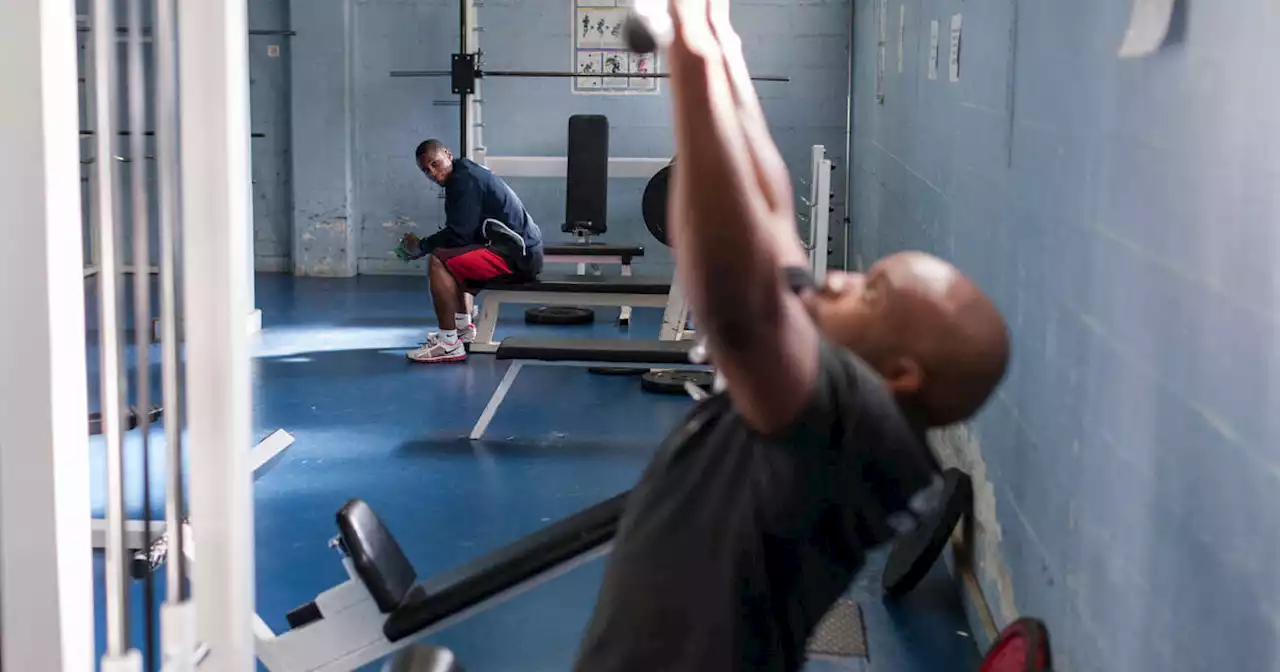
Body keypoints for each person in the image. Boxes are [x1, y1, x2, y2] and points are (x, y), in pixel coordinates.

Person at [570, 1, 1011, 671]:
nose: (839, 282)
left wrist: (687, 52)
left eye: (872, 291)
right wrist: (719, 40)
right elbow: (771, 213)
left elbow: (737, 305)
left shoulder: (856, 429)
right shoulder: (836, 369)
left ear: (901, 373)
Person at [398, 139, 544, 363]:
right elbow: (462, 235)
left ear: (447, 154)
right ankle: (463, 329)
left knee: (438, 261)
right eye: (426, 170)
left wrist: (421, 246)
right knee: (455, 253)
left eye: (435, 164)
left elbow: (459, 234)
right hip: (517, 250)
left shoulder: (464, 181)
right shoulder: (462, 174)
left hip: (518, 256)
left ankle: (448, 344)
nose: (433, 173)